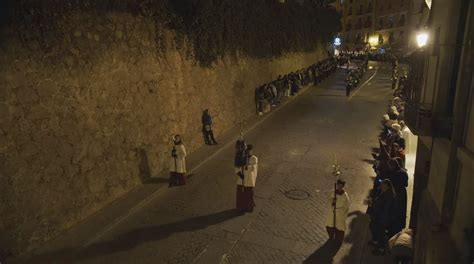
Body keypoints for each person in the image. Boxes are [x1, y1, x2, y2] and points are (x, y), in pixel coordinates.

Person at [369, 179, 396, 255]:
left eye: (384, 186)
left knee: (380, 233)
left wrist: (377, 213)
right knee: (373, 227)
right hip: (379, 216)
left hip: (382, 218)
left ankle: (381, 249)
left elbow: (385, 208)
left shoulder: (388, 196)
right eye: (382, 185)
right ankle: (376, 241)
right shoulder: (383, 193)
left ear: (388, 187)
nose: (382, 187)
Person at [325, 179, 350, 245]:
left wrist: (343, 215)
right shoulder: (333, 192)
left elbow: (346, 207)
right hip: (332, 211)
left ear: (343, 186)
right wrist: (332, 201)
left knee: (339, 228)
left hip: (340, 213)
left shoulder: (345, 196)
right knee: (330, 225)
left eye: (341, 186)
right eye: (339, 185)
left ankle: (338, 241)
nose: (340, 187)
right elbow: (329, 199)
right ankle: (331, 237)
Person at [236, 144, 258, 213]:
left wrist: (246, 163)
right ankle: (242, 207)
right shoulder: (242, 157)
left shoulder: (254, 158)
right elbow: (237, 166)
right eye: (247, 151)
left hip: (249, 179)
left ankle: (250, 206)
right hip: (241, 179)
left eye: (249, 151)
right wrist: (239, 173)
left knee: (249, 194)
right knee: (241, 194)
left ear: (251, 151)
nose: (248, 152)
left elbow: (252, 168)